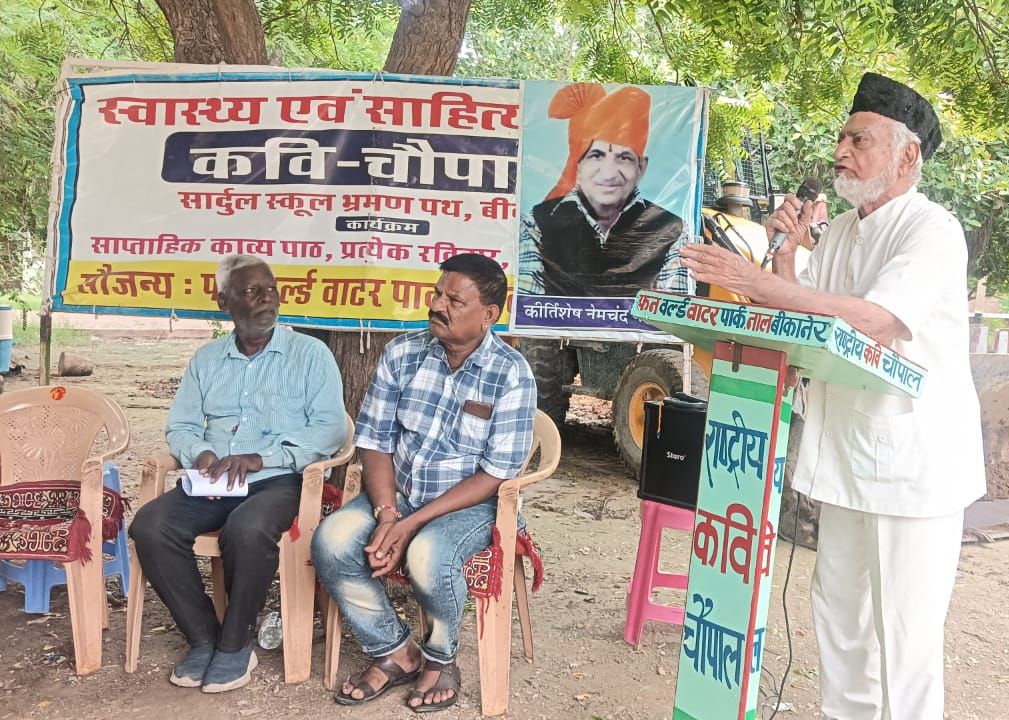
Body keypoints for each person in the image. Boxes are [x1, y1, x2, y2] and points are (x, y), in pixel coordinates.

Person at [680, 72, 985, 720]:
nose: (841, 151)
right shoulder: (842, 230)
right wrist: (783, 256)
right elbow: (804, 306)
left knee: (903, 640)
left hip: (915, 468)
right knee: (839, 622)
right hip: (848, 456)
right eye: (842, 138)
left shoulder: (933, 230)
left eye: (859, 140)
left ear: (907, 156)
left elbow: (875, 320)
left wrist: (754, 282)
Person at [312, 253, 536, 712]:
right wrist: (387, 514)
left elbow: (496, 473)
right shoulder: (402, 353)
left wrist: (410, 525)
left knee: (428, 554)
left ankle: (440, 659)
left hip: (474, 505)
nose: (437, 306)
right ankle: (395, 651)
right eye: (437, 294)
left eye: (454, 300)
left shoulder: (511, 373)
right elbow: (375, 442)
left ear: (488, 315)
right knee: (330, 542)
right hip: (401, 493)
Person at [128, 255, 346, 693]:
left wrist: (261, 458)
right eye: (251, 291)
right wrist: (201, 453)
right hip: (213, 479)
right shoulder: (207, 360)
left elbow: (331, 429)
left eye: (271, 289)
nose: (267, 299)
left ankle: (235, 642)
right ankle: (203, 637)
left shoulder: (309, 354)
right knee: (150, 526)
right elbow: (181, 427)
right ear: (223, 301)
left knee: (246, 529)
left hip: (277, 479)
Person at [518, 83, 691, 297]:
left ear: (641, 167)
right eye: (596, 155)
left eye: (624, 157)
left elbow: (673, 308)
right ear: (578, 164)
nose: (609, 174)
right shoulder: (535, 224)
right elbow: (526, 302)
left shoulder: (672, 229)